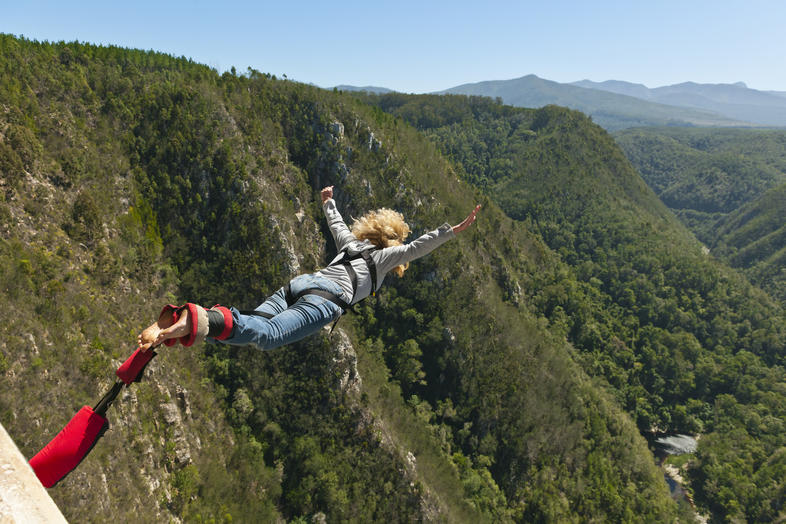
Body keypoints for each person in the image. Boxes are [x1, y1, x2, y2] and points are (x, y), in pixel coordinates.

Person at [137, 186, 481, 352]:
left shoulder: (352, 245)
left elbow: (338, 224)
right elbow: (417, 248)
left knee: (255, 322)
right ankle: (198, 321)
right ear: (391, 245)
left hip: (300, 284)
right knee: (268, 337)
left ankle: (196, 319)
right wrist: (453, 230)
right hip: (323, 301)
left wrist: (328, 201)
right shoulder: (382, 259)